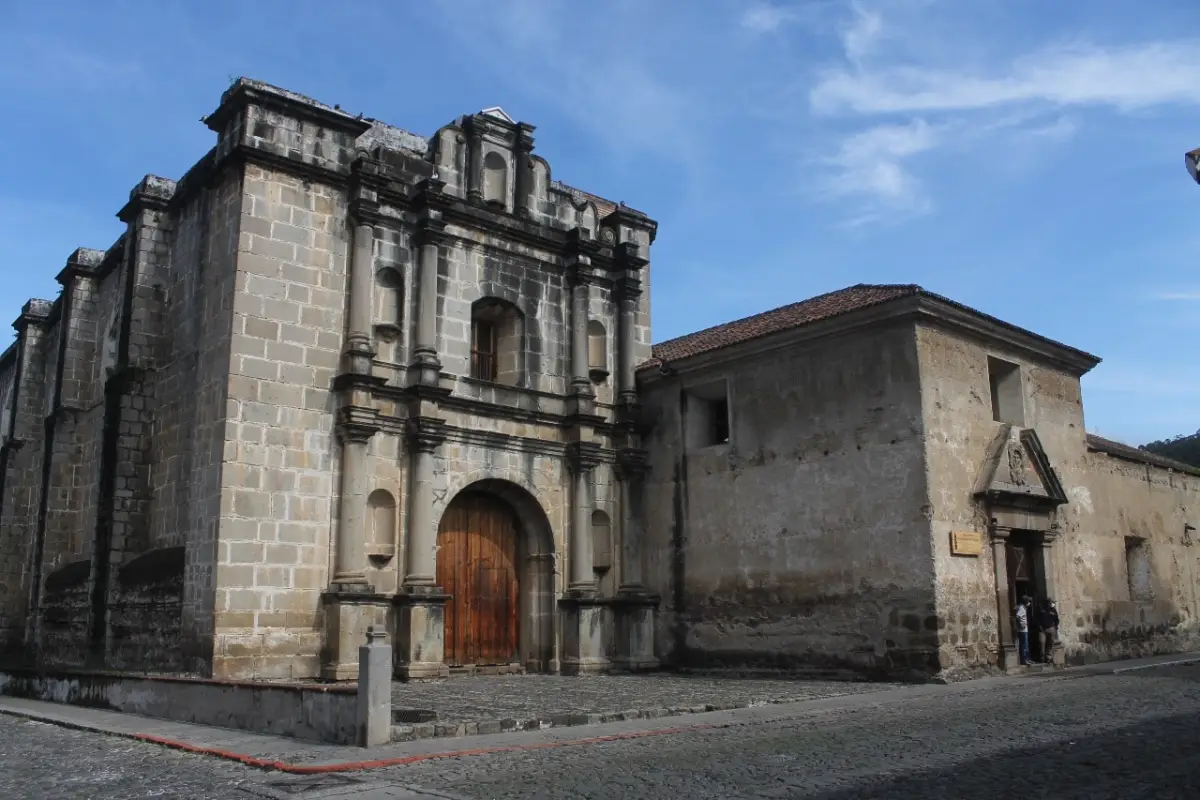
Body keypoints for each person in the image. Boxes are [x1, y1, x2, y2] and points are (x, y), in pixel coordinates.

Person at [1039, 597, 1060, 663]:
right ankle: (1042, 658)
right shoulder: (1041, 609)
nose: (1052, 603)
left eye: (1053, 602)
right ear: (1048, 602)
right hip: (1042, 630)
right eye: (1051, 602)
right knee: (1042, 643)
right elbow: (1037, 619)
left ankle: (1048, 658)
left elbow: (1057, 619)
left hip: (1051, 628)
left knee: (1050, 644)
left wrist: (1055, 627)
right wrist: (1039, 627)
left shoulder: (1053, 610)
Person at [1015, 595, 1032, 665]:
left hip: (1024, 630)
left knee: (1025, 645)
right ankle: (1024, 660)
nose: (1029, 603)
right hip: (1023, 630)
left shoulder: (1023, 608)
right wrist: (1021, 624)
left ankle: (1027, 659)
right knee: (1024, 645)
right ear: (1026, 602)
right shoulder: (1022, 608)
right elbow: (1017, 616)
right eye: (1028, 601)